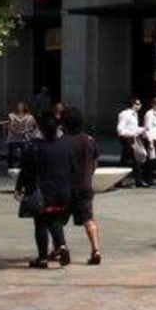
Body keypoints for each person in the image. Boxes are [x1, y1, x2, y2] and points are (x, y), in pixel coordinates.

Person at [19, 115, 80, 268]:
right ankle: (62, 246)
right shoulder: (66, 146)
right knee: (55, 220)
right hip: (63, 191)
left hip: (43, 192)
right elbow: (74, 169)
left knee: (40, 223)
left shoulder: (36, 148)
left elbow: (27, 170)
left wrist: (20, 187)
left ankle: (42, 257)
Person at [59, 105, 104, 265]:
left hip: (65, 187)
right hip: (85, 186)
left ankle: (61, 247)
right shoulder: (89, 140)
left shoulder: (62, 142)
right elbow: (95, 163)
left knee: (57, 220)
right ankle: (96, 249)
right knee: (88, 219)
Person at [116, 96, 150, 187]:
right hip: (127, 139)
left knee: (125, 160)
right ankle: (138, 181)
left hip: (132, 139)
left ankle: (119, 181)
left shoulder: (134, 114)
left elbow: (134, 128)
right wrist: (131, 133)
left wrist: (143, 129)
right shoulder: (125, 114)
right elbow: (120, 129)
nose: (140, 105)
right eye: (138, 104)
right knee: (135, 159)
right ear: (133, 105)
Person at [4, 101, 37, 192]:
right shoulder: (11, 115)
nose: (20, 107)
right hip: (13, 139)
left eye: (21, 106)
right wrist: (16, 132)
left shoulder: (30, 117)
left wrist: (26, 131)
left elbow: (34, 127)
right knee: (13, 156)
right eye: (18, 106)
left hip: (25, 139)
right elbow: (9, 126)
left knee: (25, 157)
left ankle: (24, 177)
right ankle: (14, 173)